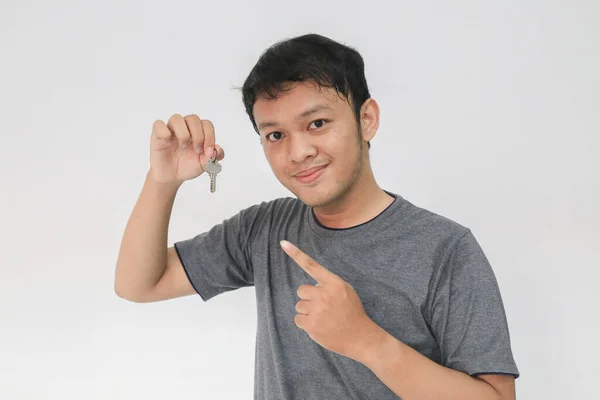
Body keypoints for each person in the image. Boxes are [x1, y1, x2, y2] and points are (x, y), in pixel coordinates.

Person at [114, 33, 520, 400]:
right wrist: (162, 181)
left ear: (367, 119)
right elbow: (139, 284)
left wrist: (368, 342)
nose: (298, 152)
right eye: (275, 135)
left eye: (318, 123)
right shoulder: (265, 228)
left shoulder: (446, 249)